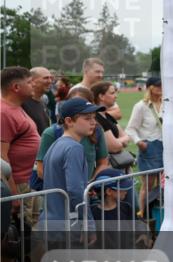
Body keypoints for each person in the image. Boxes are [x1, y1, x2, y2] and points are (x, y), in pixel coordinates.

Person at [36, 97, 102, 237]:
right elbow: (76, 191)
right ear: (69, 121)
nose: (93, 122)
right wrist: (88, 225)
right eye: (87, 118)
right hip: (66, 226)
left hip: (51, 222)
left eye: (94, 117)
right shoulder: (74, 148)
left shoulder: (56, 144)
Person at [1, 67, 42, 226]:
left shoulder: (16, 107)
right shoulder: (4, 112)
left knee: (31, 233)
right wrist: (13, 195)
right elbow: (1, 158)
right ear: (16, 87)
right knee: (20, 236)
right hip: (17, 185)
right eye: (30, 82)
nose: (33, 85)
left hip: (25, 182)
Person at [126, 77, 162, 212]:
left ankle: (159, 210)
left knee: (164, 183)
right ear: (150, 87)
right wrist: (139, 142)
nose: (161, 88)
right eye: (157, 85)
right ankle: (143, 214)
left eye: (162, 85)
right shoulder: (141, 106)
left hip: (165, 147)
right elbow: (130, 128)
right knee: (147, 185)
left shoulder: (167, 103)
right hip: (149, 148)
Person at [92, 82, 132, 168]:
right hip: (105, 169)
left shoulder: (107, 116)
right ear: (101, 96)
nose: (116, 96)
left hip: (116, 164)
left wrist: (118, 141)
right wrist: (120, 142)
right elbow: (114, 147)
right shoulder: (96, 118)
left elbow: (127, 138)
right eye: (112, 93)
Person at [21, 67, 53, 135]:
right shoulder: (22, 103)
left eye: (51, 78)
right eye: (46, 78)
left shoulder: (42, 103)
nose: (50, 81)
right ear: (32, 80)